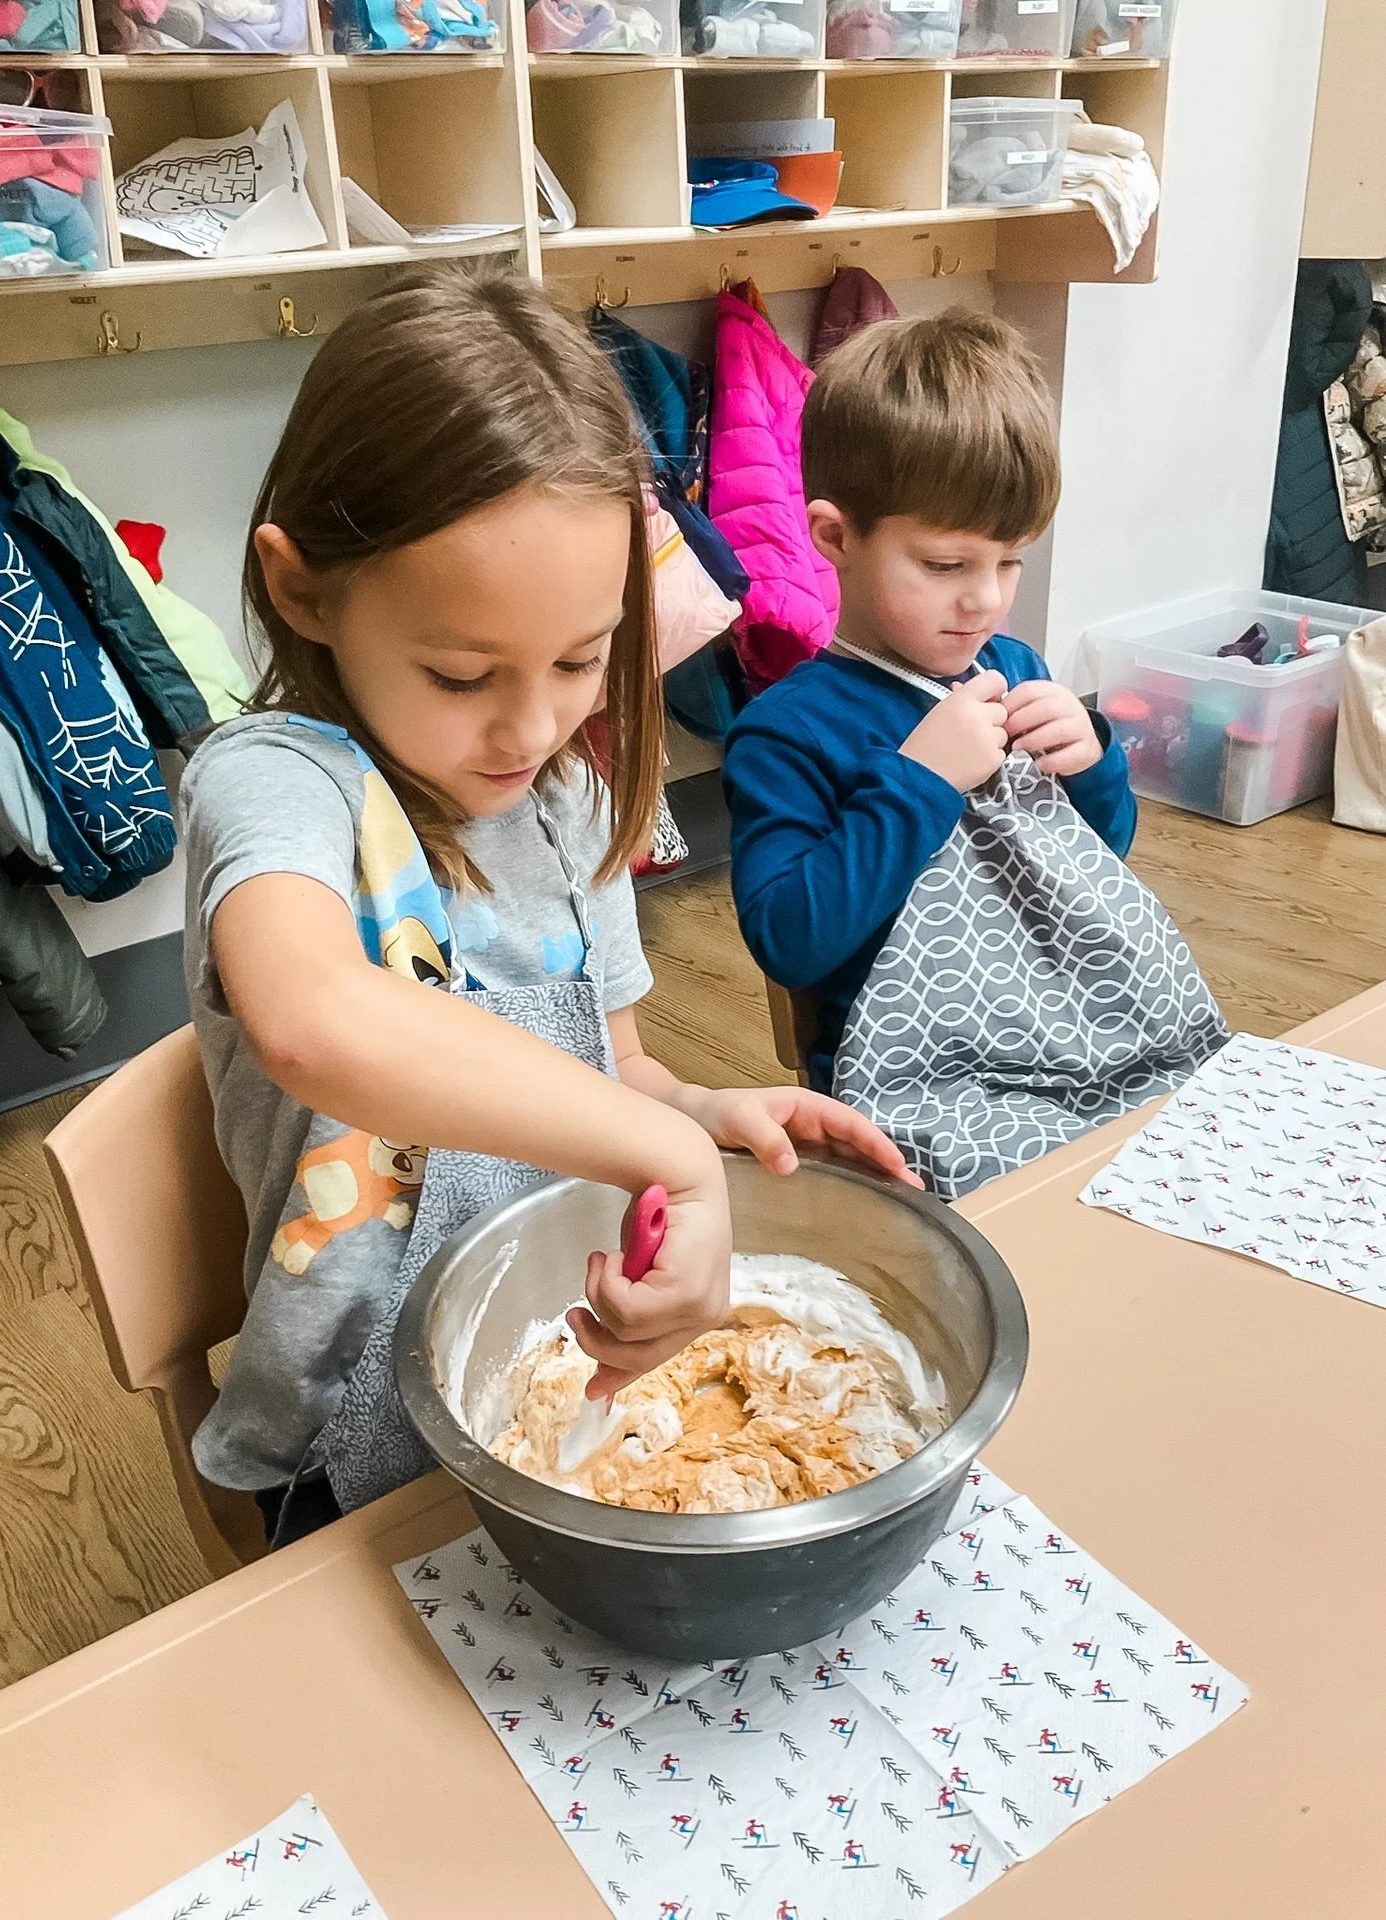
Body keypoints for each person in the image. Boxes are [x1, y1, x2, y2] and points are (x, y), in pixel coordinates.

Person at [182, 269, 909, 1548]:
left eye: (582, 659)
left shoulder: (567, 795)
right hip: (355, 1449)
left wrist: (698, 1113)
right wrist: (671, 1160)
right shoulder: (275, 784)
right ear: (304, 593)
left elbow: (613, 1064)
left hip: (557, 1361)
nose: (531, 724)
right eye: (464, 673)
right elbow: (311, 1018)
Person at [723, 308, 1227, 1199]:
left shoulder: (1015, 669)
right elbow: (791, 943)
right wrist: (918, 783)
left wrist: (1093, 762)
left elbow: (1091, 860)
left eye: (1011, 563)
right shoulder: (787, 731)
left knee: (1203, 1133)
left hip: (1071, 1029)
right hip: (915, 1082)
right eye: (947, 565)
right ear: (835, 537)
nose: (985, 602)